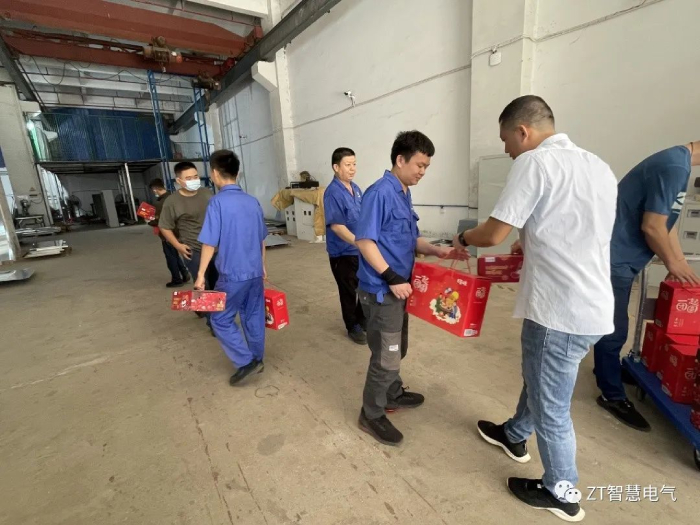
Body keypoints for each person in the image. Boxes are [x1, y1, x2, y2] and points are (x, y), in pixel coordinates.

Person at [453, 96, 617, 522]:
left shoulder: (535, 163)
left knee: (552, 407)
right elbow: (574, 228)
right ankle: (513, 434)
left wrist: (463, 237)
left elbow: (494, 233)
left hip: (558, 311)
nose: (507, 150)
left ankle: (561, 490)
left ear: (522, 131)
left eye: (506, 140)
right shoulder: (598, 166)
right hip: (594, 304)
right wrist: (532, 241)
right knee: (541, 377)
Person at [354, 130, 461, 447]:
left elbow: (411, 238)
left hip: (400, 289)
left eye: (426, 166)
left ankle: (392, 393)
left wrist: (436, 250)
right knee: (387, 356)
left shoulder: (403, 193)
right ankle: (371, 414)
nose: (423, 172)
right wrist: (392, 277)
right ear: (400, 160)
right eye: (419, 165)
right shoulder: (379, 193)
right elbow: (365, 242)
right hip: (382, 290)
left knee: (397, 348)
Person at [593, 141, 700, 432]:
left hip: (623, 256)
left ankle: (608, 369)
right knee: (614, 329)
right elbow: (652, 227)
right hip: (615, 258)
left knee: (615, 324)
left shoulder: (679, 163)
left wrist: (679, 261)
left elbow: (666, 224)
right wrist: (672, 263)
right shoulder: (674, 167)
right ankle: (611, 395)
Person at [195, 150, 269, 385]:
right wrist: (262, 265)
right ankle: (257, 357)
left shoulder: (217, 202)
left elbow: (209, 243)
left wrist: (200, 275)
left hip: (232, 274)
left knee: (220, 319)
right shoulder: (252, 201)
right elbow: (261, 239)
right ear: (237, 173)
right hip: (254, 271)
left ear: (215, 173)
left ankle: (246, 362)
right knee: (253, 315)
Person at [323, 147, 367, 345]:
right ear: (336, 167)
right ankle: (352, 326)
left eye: (354, 164)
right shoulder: (333, 193)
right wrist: (359, 243)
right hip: (342, 253)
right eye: (348, 165)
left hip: (359, 249)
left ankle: (362, 319)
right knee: (348, 291)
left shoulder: (356, 189)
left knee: (364, 287)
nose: (352, 169)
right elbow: (337, 227)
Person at [158, 161, 219, 301]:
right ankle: (206, 312)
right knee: (202, 284)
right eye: (188, 178)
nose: (194, 180)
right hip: (193, 249)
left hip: (214, 247)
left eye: (195, 176)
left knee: (217, 282)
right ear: (179, 181)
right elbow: (164, 226)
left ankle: (213, 309)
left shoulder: (207, 193)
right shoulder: (172, 201)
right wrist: (178, 246)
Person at [147, 178, 190, 287]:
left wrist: (149, 221)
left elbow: (159, 221)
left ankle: (176, 280)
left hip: (168, 233)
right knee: (175, 253)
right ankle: (185, 274)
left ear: (155, 189)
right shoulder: (174, 197)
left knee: (170, 257)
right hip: (179, 231)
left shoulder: (160, 203)